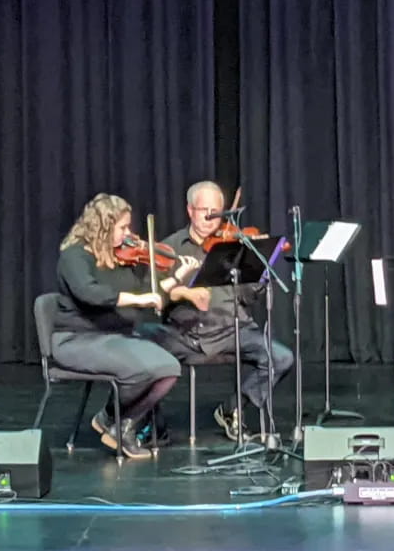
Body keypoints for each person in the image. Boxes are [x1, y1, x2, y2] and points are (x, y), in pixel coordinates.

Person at [52, 193, 192, 459]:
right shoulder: (74, 257)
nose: (129, 234)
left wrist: (175, 277)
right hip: (76, 340)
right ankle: (112, 419)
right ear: (103, 227)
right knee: (143, 369)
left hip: (114, 337)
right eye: (122, 227)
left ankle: (119, 423)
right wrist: (139, 298)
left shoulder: (118, 258)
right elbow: (90, 293)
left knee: (169, 369)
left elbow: (146, 294)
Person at [160, 181, 294, 441]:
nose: (211, 219)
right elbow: (161, 296)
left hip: (235, 328)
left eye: (217, 212)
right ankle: (150, 425)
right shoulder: (171, 247)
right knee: (146, 363)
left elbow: (245, 297)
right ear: (190, 210)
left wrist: (259, 271)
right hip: (190, 334)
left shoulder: (234, 243)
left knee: (281, 358)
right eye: (204, 211)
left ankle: (233, 410)